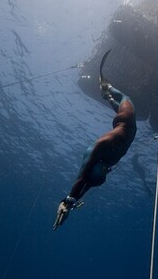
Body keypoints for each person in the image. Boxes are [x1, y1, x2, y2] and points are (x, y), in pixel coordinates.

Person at [53, 51, 137, 230]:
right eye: (106, 173)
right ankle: (106, 90)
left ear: (98, 166)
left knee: (122, 100)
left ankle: (106, 86)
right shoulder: (109, 160)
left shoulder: (99, 147)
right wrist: (72, 201)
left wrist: (67, 201)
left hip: (124, 123)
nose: (106, 172)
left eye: (103, 172)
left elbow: (82, 177)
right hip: (125, 121)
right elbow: (88, 183)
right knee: (121, 103)